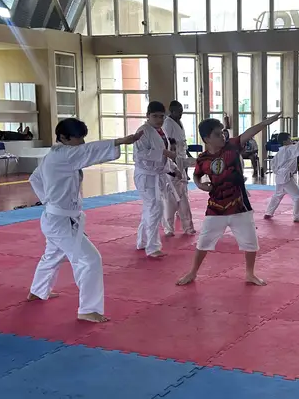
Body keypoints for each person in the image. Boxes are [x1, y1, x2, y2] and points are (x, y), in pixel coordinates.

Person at [28, 118, 142, 322]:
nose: (81, 143)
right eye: (77, 138)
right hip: (61, 221)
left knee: (53, 255)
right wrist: (119, 141)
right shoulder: (64, 155)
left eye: (82, 138)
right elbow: (88, 151)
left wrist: (48, 200)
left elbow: (34, 178)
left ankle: (37, 290)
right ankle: (88, 309)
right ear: (63, 138)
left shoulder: (51, 156)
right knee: (90, 260)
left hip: (55, 217)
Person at [177, 113, 283, 286]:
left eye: (222, 132)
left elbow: (249, 132)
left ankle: (250, 274)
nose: (222, 136)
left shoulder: (232, 146)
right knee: (203, 241)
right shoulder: (202, 159)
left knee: (250, 242)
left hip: (239, 204)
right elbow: (197, 175)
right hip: (216, 206)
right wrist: (199, 185)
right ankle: (192, 272)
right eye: (217, 134)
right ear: (207, 138)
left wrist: (266, 122)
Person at [134, 101, 179, 258]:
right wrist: (164, 153)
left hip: (157, 174)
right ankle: (152, 247)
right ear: (147, 115)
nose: (159, 119)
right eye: (155, 116)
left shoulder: (160, 131)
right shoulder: (143, 132)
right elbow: (140, 155)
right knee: (155, 209)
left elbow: (165, 155)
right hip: (146, 176)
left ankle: (142, 241)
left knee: (150, 209)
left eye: (161, 116)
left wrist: (174, 168)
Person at [264, 131, 299, 223]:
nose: (291, 140)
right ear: (285, 141)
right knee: (298, 196)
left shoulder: (279, 152)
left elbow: (273, 165)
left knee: (278, 195)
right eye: (289, 139)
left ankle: (268, 212)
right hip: (286, 177)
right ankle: (297, 217)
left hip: (280, 176)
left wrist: (278, 172)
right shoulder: (289, 149)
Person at [162, 100, 196, 236]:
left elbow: (182, 143)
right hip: (170, 172)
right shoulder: (167, 123)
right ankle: (168, 229)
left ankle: (188, 227)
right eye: (178, 112)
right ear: (171, 111)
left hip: (181, 160)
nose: (180, 114)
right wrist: (172, 156)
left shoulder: (179, 122)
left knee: (184, 200)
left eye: (182, 112)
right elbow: (168, 142)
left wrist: (189, 155)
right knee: (169, 205)